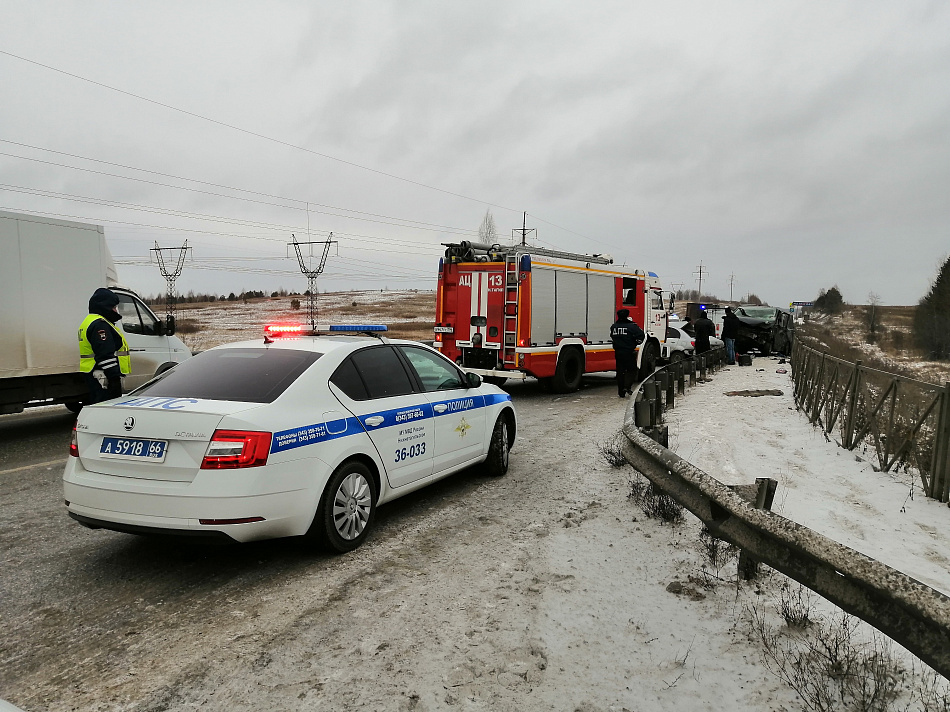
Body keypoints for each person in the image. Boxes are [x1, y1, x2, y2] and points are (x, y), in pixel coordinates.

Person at [78, 287, 131, 404]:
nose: (116, 311)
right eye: (113, 307)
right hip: (103, 377)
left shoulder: (90, 321)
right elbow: (105, 354)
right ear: (104, 307)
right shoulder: (100, 325)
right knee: (107, 409)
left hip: (94, 374)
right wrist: (114, 379)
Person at [610, 308, 644, 397]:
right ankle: (627, 386)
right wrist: (636, 342)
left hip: (618, 352)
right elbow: (641, 335)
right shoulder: (632, 326)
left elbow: (612, 337)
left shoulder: (614, 326)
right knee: (632, 370)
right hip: (629, 351)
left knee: (620, 372)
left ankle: (621, 392)